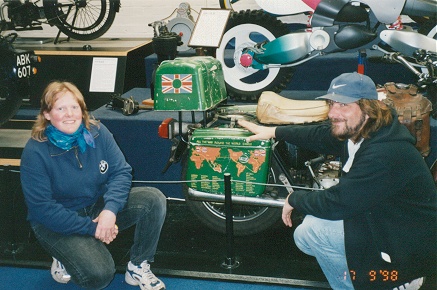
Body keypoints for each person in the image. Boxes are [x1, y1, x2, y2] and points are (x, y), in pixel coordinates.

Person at [238, 72, 437, 290]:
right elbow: (319, 135)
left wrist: (295, 198)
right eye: (332, 103)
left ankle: (398, 281)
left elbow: (337, 203)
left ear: (368, 109)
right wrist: (272, 131)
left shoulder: (384, 152)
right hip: (385, 221)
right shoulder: (364, 130)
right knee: (306, 235)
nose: (333, 113)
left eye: (344, 105)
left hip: (406, 245)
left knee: (313, 231)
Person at [20, 81, 167, 290]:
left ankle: (137, 266)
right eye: (60, 108)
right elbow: (43, 210)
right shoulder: (35, 152)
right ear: (47, 114)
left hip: (96, 208)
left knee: (153, 199)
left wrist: (110, 211)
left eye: (74, 107)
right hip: (55, 222)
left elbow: (121, 171)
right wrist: (93, 228)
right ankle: (63, 256)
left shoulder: (97, 131)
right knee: (100, 275)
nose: (69, 114)